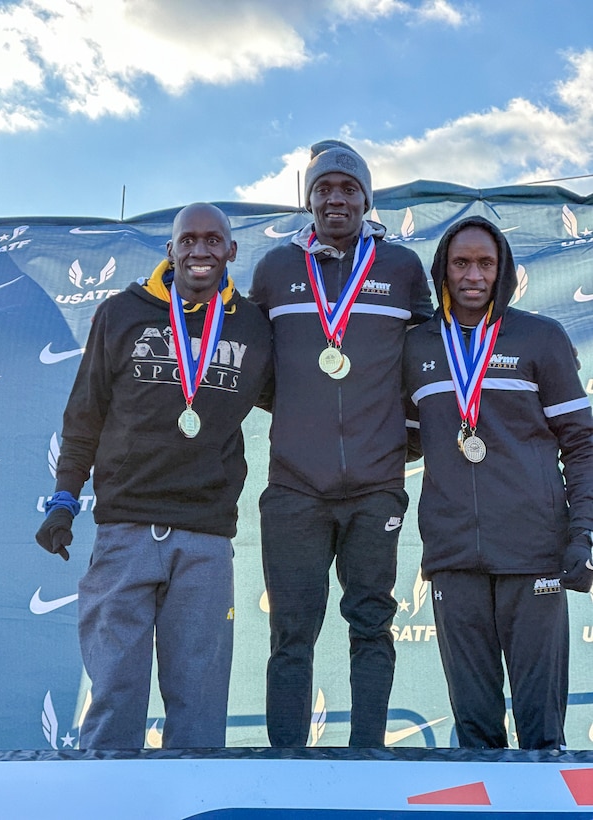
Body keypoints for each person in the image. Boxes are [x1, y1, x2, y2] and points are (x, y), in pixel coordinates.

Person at [36, 202, 273, 749]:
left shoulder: (254, 328)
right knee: (116, 696)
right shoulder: (122, 312)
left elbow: (300, 403)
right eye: (188, 240)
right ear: (170, 249)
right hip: (126, 533)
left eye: (213, 240)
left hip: (206, 539)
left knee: (199, 703)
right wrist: (64, 498)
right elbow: (85, 414)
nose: (200, 251)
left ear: (231, 251)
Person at [249, 139, 433, 747]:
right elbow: (258, 370)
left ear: (365, 199)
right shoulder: (276, 269)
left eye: (348, 188)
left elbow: (427, 364)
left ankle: (369, 755)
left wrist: (399, 433)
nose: (335, 197)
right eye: (323, 188)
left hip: (376, 488)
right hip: (294, 486)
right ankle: (285, 762)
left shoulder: (402, 268)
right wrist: (306, 413)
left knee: (372, 626)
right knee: (291, 635)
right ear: (309, 200)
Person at [403, 215, 593, 750]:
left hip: (535, 554)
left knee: (541, 733)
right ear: (443, 268)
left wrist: (583, 534)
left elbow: (581, 444)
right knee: (475, 731)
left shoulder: (541, 337)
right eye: (461, 263)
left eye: (485, 263)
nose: (473, 275)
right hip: (453, 558)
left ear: (503, 270)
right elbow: (407, 438)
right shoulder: (416, 347)